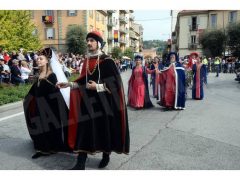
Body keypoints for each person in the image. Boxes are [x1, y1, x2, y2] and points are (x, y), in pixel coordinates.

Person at [57, 31, 130, 170]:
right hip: (87, 103)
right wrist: (69, 84)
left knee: (104, 130)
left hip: (104, 103)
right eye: (88, 40)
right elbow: (82, 82)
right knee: (84, 130)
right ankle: (80, 163)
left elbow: (115, 85)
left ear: (99, 43)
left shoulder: (107, 61)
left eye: (92, 40)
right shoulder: (86, 61)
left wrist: (98, 86)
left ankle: (106, 155)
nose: (89, 43)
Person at [23, 48, 70, 159]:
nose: (38, 60)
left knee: (48, 128)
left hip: (49, 108)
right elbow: (35, 90)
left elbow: (54, 94)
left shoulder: (51, 76)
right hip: (39, 106)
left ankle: (49, 148)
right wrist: (27, 98)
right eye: (37, 59)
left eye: (41, 59)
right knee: (39, 127)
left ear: (47, 61)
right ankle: (42, 149)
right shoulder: (40, 75)